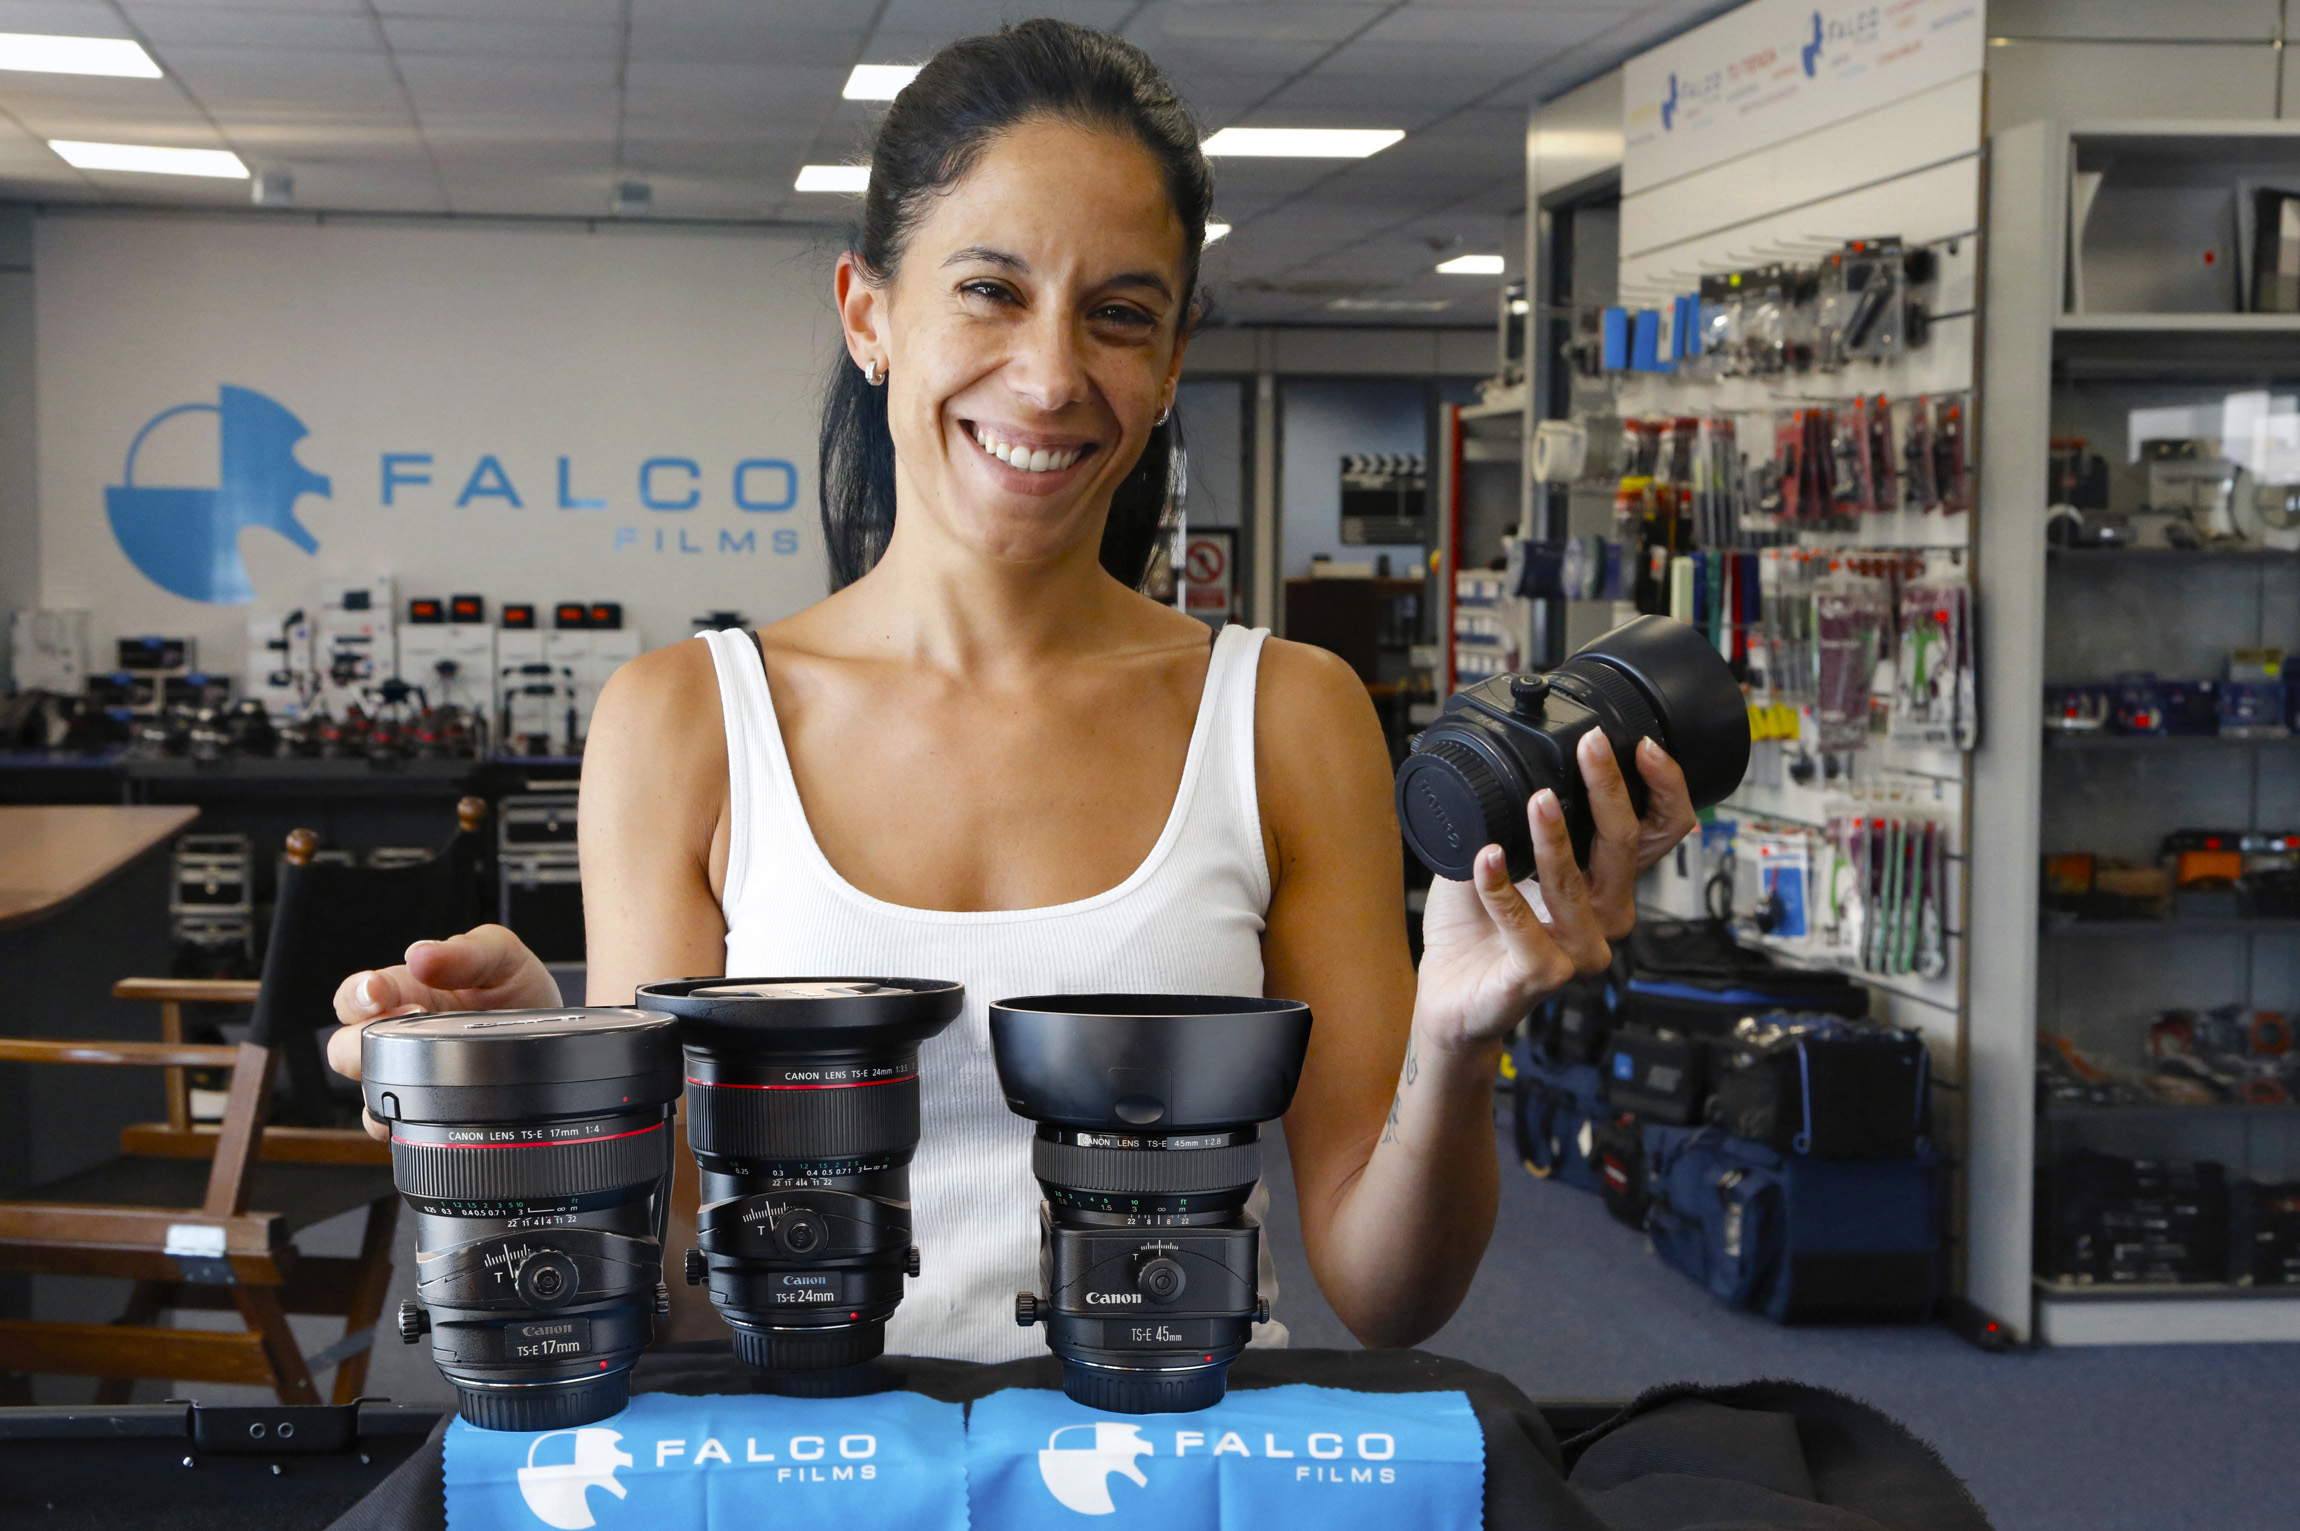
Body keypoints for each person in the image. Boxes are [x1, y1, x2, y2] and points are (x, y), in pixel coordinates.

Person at [326, 19, 1697, 1361]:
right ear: (869, 314)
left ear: (1171, 362)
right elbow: (683, 1287)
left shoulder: (1287, 714)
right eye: (990, 289)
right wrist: (547, 1098)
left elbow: (1388, 1297)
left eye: (1119, 315)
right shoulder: (683, 722)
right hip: (818, 1466)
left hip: (1162, 1463)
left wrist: (1453, 1043)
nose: (1048, 378)